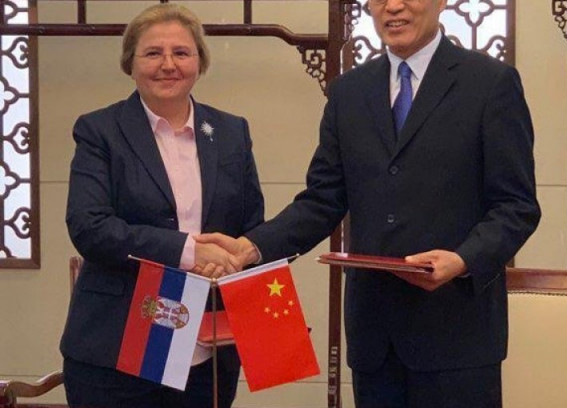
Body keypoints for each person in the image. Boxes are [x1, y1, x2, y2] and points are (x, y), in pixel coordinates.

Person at [199, 0, 540, 406]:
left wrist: (463, 259)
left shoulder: (490, 82)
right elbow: (322, 200)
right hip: (375, 337)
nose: (393, 7)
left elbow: (516, 206)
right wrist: (251, 247)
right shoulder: (349, 90)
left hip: (457, 332)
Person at [60, 4, 264, 408]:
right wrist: (189, 252)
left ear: (199, 61)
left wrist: (232, 256)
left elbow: (251, 226)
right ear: (130, 63)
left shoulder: (231, 131)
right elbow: (89, 227)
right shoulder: (99, 130)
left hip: (206, 351)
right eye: (153, 53)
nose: (168, 65)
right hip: (116, 349)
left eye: (181, 53)